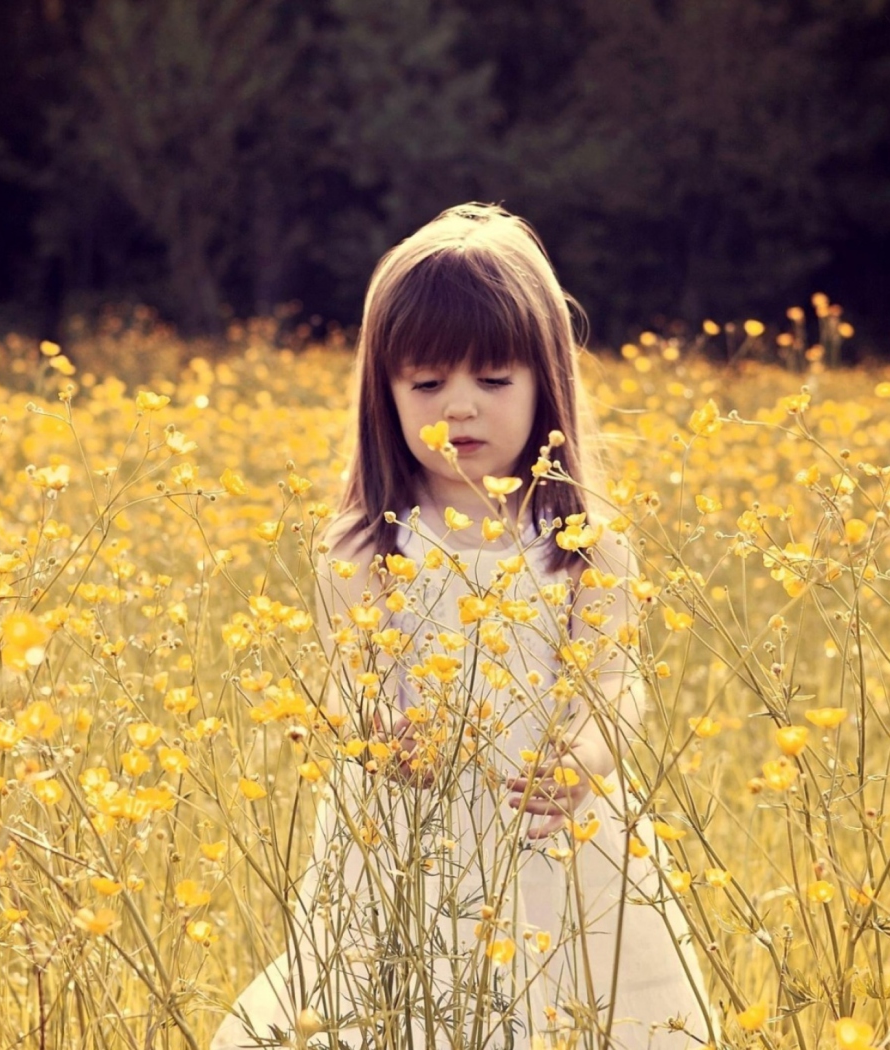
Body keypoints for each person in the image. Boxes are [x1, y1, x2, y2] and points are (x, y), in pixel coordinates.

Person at [211, 204, 717, 1050]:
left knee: (590, 1015)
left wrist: (583, 761)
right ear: (386, 394)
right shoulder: (370, 543)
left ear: (545, 382)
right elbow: (351, 685)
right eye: (427, 384)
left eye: (493, 380)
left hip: (558, 834)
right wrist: (380, 733)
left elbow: (615, 685)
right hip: (407, 846)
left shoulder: (584, 538)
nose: (461, 408)